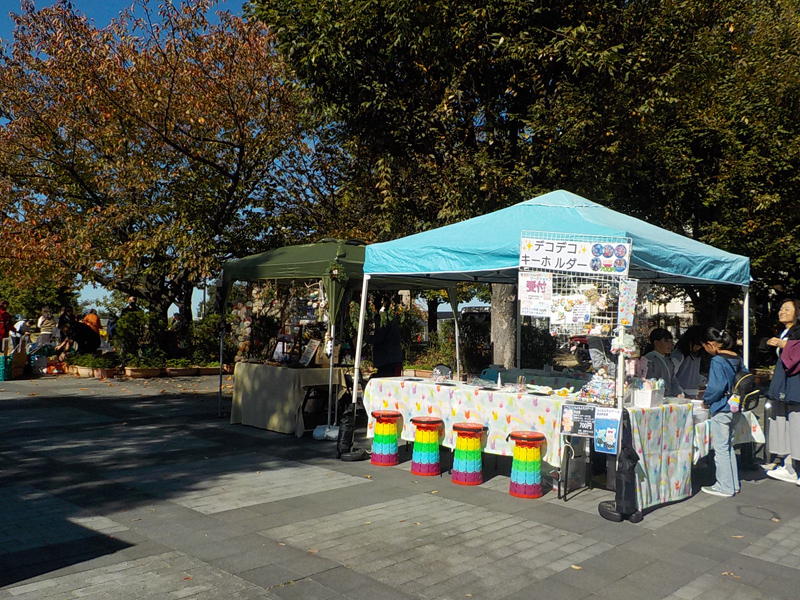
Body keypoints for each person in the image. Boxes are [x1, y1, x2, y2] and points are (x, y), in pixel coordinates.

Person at [700, 327, 743, 497]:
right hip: (736, 406)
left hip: (722, 407)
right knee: (727, 447)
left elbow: (716, 387)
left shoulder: (717, 360)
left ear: (710, 344)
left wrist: (706, 400)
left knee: (721, 449)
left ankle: (724, 486)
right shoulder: (736, 357)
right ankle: (733, 484)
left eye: (704, 346)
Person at [764, 298, 800, 483]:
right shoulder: (784, 331)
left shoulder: (796, 332)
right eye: (780, 308)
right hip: (784, 385)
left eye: (787, 309)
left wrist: (784, 345)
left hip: (795, 385)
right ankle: (789, 466)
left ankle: (795, 468)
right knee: (784, 424)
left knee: (796, 425)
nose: (782, 311)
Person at [365, 297, 403, 378]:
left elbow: (379, 338)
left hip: (387, 360)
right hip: (392, 358)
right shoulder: (391, 317)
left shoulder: (383, 318)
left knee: (385, 382)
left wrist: (363, 338)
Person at [644, 328, 683, 397]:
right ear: (656, 342)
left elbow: (673, 380)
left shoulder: (668, 361)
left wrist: (678, 393)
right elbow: (649, 379)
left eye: (671, 342)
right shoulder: (649, 359)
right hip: (654, 396)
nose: (670, 345)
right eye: (666, 341)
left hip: (668, 397)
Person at [671, 325, 706, 399]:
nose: (698, 347)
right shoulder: (679, 354)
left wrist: (705, 381)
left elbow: (694, 375)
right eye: (696, 344)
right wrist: (680, 392)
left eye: (701, 345)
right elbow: (670, 375)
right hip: (680, 394)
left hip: (693, 393)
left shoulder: (696, 356)